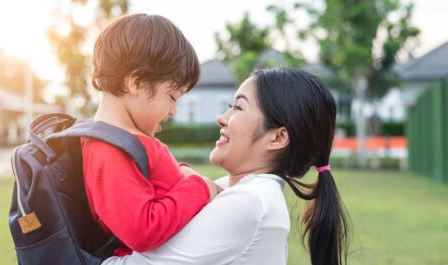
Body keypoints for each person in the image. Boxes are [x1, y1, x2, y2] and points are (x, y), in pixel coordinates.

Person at [102, 67, 351, 265]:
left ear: (277, 138)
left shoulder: (250, 202)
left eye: (238, 107)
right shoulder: (233, 191)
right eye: (228, 107)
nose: (221, 118)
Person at [81, 13, 221, 256]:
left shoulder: (129, 142)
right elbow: (142, 230)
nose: (174, 110)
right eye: (173, 96)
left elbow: (156, 183)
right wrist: (200, 187)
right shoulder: (108, 149)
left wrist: (183, 173)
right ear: (136, 83)